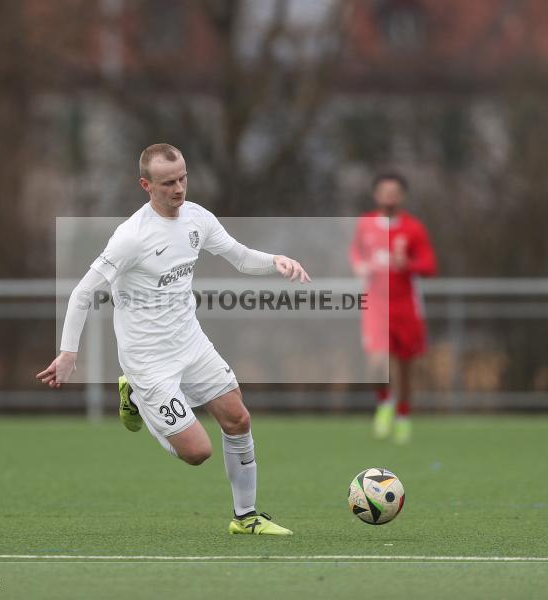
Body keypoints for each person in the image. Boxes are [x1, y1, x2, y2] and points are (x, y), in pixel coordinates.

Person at [37, 143, 310, 535]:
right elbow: (83, 292)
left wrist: (275, 261)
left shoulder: (197, 218)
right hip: (147, 359)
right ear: (146, 185)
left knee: (238, 419)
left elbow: (238, 255)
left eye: (183, 178)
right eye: (168, 182)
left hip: (191, 343)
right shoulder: (131, 237)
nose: (179, 188)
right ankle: (134, 393)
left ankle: (246, 517)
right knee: (198, 453)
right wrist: (67, 353)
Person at [349, 171, 436, 444]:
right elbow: (355, 252)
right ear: (376, 195)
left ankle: (403, 416)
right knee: (377, 362)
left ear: (402, 195)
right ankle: (385, 402)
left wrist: (408, 264)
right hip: (375, 304)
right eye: (384, 191)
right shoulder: (365, 224)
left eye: (394, 191)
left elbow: (429, 265)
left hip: (406, 307)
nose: (389, 196)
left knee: (406, 367)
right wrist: (358, 264)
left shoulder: (413, 228)